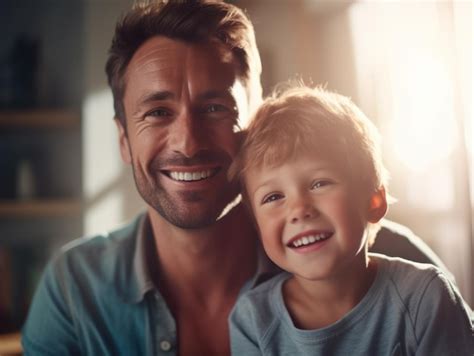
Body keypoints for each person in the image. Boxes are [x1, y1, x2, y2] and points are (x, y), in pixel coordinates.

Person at [21, 1, 462, 355]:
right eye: (157, 112)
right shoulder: (73, 292)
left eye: (217, 108)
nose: (188, 143)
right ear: (123, 140)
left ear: (255, 126)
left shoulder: (392, 261)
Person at [228, 85, 473, 355]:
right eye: (273, 197)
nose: (299, 209)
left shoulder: (426, 298)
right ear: (256, 224)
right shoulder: (251, 320)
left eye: (320, 183)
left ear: (373, 202)